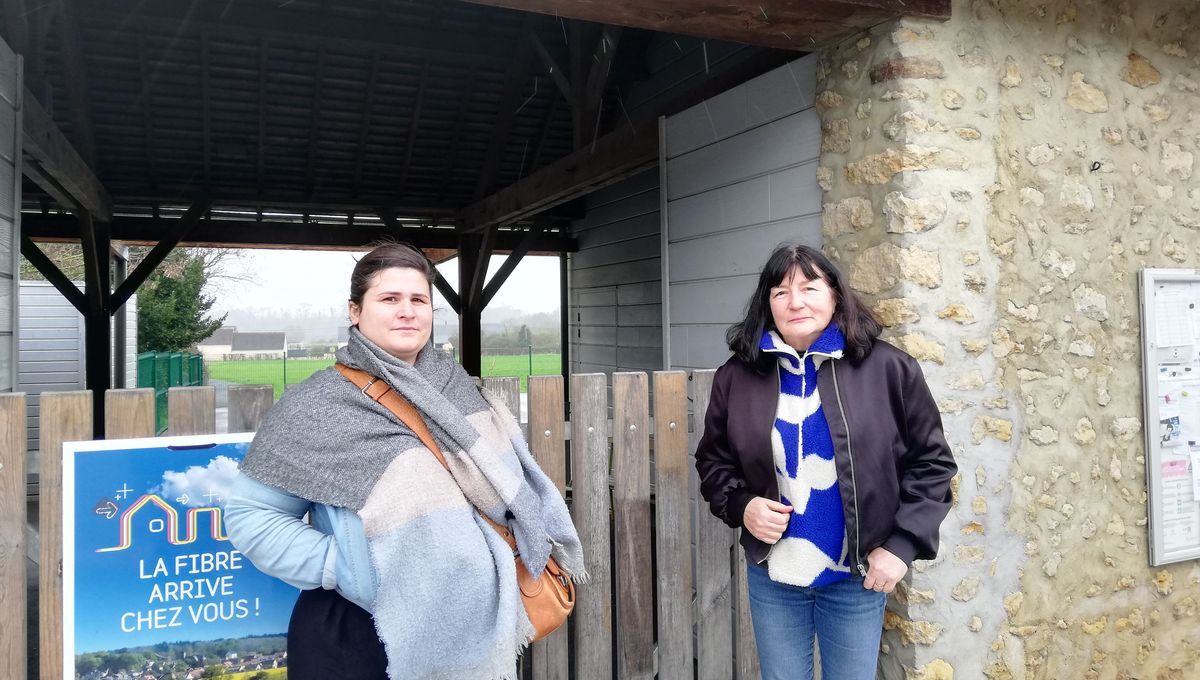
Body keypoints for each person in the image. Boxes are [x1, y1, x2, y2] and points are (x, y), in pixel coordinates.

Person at [224, 242, 584, 680]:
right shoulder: (316, 405)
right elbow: (252, 515)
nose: (407, 312)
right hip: (357, 634)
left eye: (418, 300)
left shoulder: (461, 390)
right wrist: (349, 569)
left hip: (473, 625)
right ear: (355, 311)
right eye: (389, 299)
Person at [694, 242, 956, 680]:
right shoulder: (737, 376)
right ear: (768, 304)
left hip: (857, 577)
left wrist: (902, 546)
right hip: (775, 576)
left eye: (809, 287)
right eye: (780, 292)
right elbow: (713, 462)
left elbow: (931, 464)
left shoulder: (890, 369)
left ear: (835, 295)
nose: (795, 301)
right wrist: (742, 506)